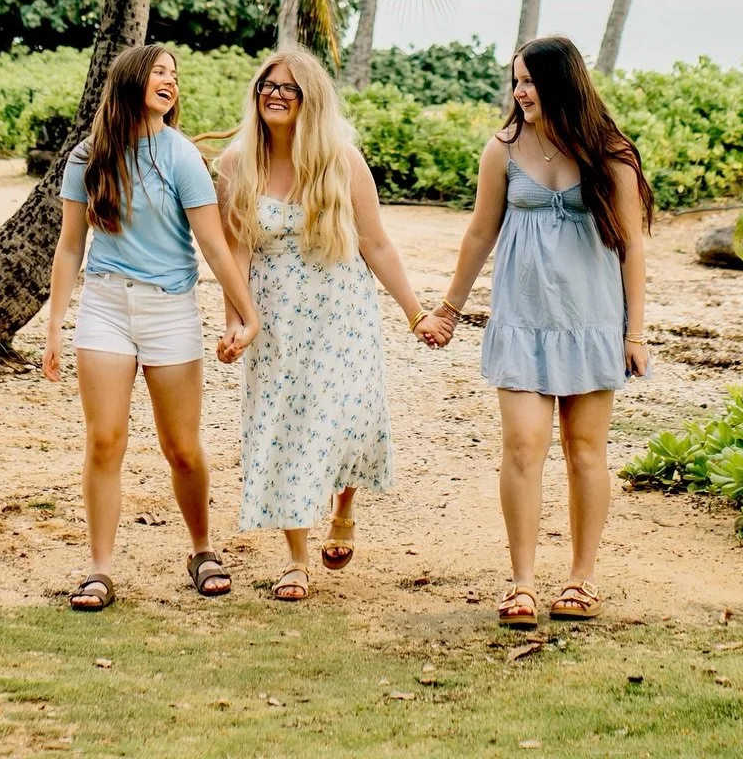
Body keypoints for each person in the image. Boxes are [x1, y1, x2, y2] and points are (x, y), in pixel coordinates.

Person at [421, 35, 652, 627]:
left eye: (531, 80)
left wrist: (636, 332)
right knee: (523, 447)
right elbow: (479, 233)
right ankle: (521, 582)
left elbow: (631, 248)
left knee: (584, 451)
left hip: (590, 322)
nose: (521, 91)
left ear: (562, 84)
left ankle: (582, 578)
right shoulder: (502, 149)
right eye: (516, 80)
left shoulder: (611, 153)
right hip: (522, 321)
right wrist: (449, 308)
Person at [216, 47, 445, 603]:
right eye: (268, 85)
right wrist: (237, 323)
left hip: (341, 310)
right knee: (285, 425)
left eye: (290, 88)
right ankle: (296, 558)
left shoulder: (341, 160)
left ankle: (343, 502)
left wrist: (415, 313)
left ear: (310, 99)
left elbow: (377, 244)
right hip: (274, 316)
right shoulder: (234, 164)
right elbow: (234, 253)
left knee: (344, 418)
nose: (276, 94)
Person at [41, 43, 260, 611]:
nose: (171, 82)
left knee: (181, 447)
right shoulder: (88, 157)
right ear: (132, 80)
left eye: (175, 75)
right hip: (106, 306)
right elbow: (70, 248)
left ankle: (202, 549)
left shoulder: (181, 155)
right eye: (160, 72)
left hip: (170, 310)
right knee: (105, 439)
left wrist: (245, 313)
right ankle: (99, 569)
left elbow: (213, 243)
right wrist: (55, 324)